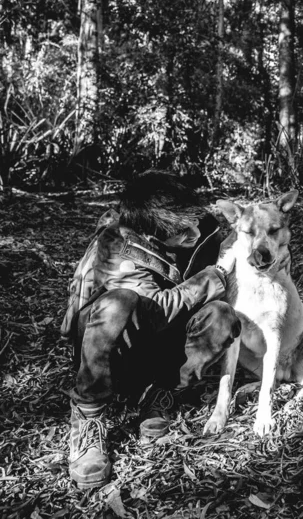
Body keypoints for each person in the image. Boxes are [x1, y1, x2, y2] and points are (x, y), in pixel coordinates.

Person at [61, 170, 237, 490]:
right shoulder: (117, 247)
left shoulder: (190, 224)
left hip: (157, 341)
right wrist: (210, 279)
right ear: (152, 233)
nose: (194, 232)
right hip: (112, 349)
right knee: (120, 302)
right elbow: (156, 310)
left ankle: (159, 393)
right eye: (182, 231)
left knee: (222, 317)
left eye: (193, 219)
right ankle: (88, 416)